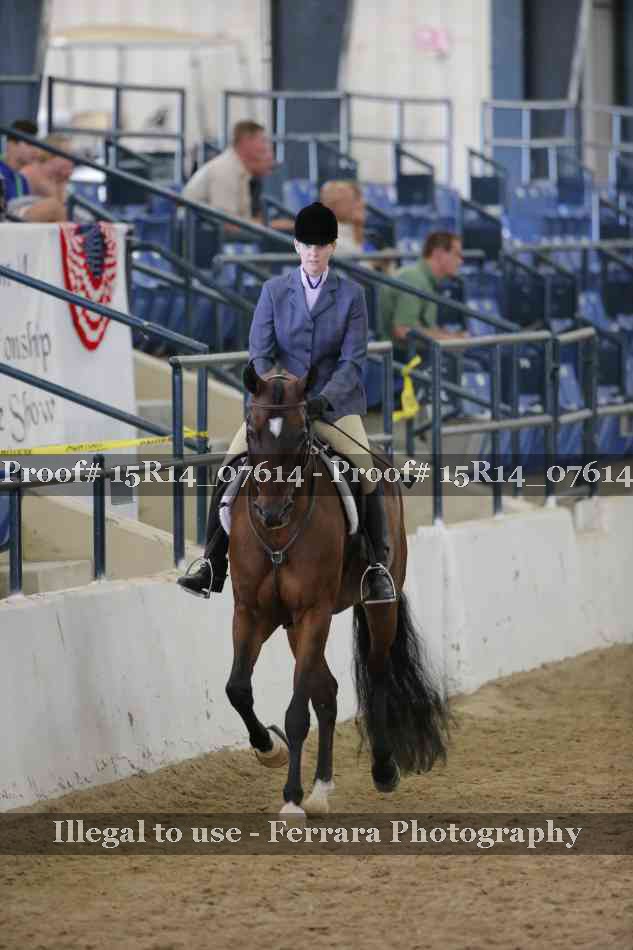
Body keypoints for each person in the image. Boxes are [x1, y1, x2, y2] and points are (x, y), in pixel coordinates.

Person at [178, 201, 397, 605]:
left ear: (332, 247)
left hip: (333, 406)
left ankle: (377, 566)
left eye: (321, 246)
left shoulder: (352, 295)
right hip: (280, 407)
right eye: (306, 246)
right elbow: (260, 353)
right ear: (296, 246)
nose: (313, 253)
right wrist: (277, 393)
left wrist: (323, 400)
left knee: (366, 468)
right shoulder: (274, 291)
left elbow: (352, 361)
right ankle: (211, 561)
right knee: (230, 465)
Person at [183, 120, 289, 229]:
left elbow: (244, 220)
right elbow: (229, 225)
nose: (266, 147)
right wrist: (278, 225)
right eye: (262, 140)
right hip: (195, 233)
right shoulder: (225, 169)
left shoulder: (245, 174)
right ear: (246, 142)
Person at [381, 231, 465, 344]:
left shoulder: (426, 280)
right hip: (400, 354)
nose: (460, 261)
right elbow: (403, 330)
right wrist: (450, 340)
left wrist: (449, 335)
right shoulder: (412, 278)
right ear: (439, 253)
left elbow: (421, 328)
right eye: (456, 254)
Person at [0, 120, 67, 222]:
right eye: (29, 144)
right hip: (6, 223)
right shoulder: (1, 171)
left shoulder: (22, 179)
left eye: (36, 144)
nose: (35, 150)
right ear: (11, 144)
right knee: (53, 206)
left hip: (17, 223)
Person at [320, 179, 365, 254]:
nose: (361, 204)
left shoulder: (353, 229)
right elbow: (355, 257)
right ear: (332, 204)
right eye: (355, 199)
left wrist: (358, 226)